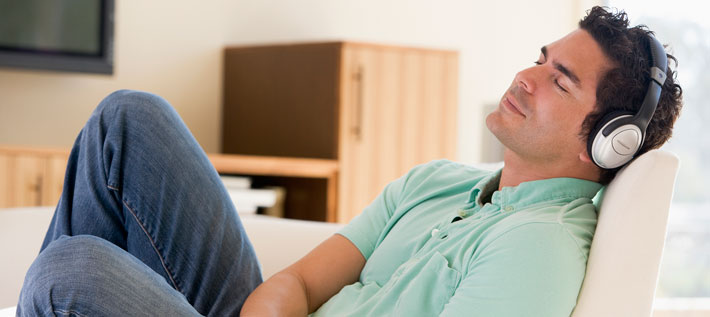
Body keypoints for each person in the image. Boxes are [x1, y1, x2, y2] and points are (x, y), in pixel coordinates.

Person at [17, 6, 682, 317]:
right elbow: (298, 284)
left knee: (73, 271)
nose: (526, 76)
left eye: (560, 79)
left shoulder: (538, 248)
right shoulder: (438, 181)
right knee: (128, 120)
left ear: (610, 141)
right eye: (540, 56)